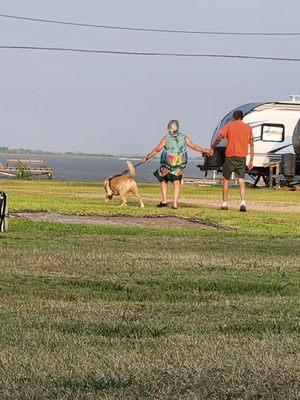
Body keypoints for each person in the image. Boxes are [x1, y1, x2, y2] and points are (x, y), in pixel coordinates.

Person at [144, 120, 212, 209]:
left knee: (163, 179)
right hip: (179, 164)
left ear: (170, 128)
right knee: (177, 182)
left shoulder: (166, 138)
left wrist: (147, 157)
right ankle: (175, 204)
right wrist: (205, 151)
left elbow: (157, 150)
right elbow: (194, 146)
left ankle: (164, 201)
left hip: (168, 163)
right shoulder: (183, 137)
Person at [209, 110, 254, 212]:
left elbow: (220, 137)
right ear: (242, 117)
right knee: (241, 180)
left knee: (226, 179)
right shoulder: (248, 128)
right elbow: (251, 144)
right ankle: (243, 203)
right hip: (242, 157)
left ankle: (224, 204)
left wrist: (213, 147)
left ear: (234, 117)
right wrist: (251, 159)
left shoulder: (229, 125)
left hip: (230, 156)